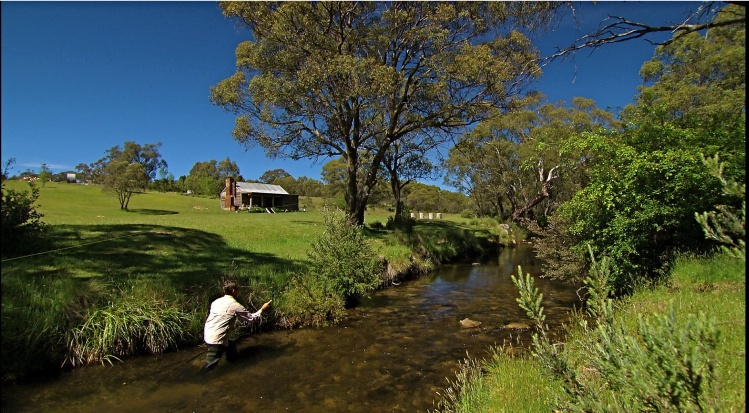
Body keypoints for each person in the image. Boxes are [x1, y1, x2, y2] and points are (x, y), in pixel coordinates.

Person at [202, 280, 272, 371]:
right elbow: (251, 318)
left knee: (231, 347)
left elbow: (220, 317)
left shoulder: (216, 302)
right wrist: (262, 309)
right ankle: (200, 379)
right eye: (237, 290)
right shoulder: (235, 305)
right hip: (216, 339)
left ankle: (232, 365)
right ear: (234, 291)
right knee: (209, 366)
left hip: (207, 333)